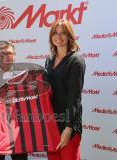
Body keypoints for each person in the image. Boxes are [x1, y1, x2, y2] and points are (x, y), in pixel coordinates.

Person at [45, 19, 86, 160]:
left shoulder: (76, 61)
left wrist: (68, 129)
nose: (59, 37)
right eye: (55, 33)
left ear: (69, 36)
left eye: (63, 33)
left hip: (68, 124)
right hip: (51, 123)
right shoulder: (49, 60)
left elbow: (74, 98)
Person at [0, 41, 28, 160]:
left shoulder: (25, 76)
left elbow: (30, 102)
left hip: (19, 128)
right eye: (1, 54)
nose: (5, 56)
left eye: (8, 53)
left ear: (14, 55)